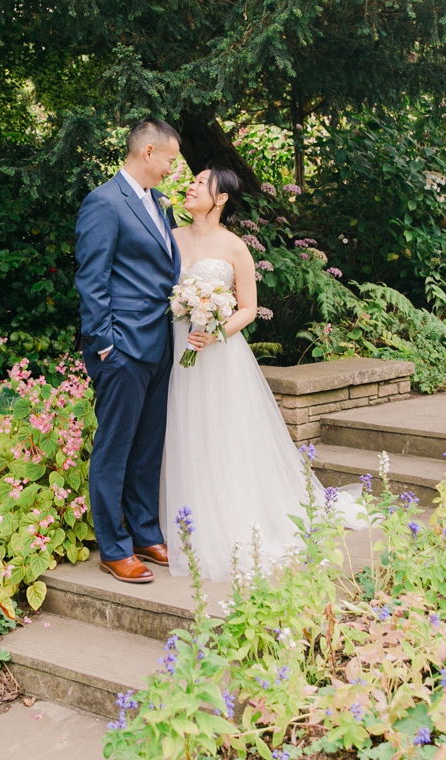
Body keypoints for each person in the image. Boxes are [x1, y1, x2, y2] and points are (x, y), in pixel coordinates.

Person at [159, 167, 365, 582]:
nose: (191, 185)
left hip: (217, 353)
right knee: (183, 430)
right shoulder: (170, 238)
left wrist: (216, 331)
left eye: (201, 182)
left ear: (220, 199)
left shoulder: (235, 248)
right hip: (176, 345)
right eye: (192, 181)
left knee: (222, 434)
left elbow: (248, 308)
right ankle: (181, 521)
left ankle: (230, 519)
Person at [74, 120, 182, 584]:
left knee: (147, 447)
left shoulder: (160, 204)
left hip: (160, 345)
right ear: (149, 151)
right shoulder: (103, 202)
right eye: (170, 161)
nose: (172, 170)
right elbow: (91, 279)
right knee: (114, 449)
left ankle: (143, 532)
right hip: (120, 349)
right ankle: (113, 548)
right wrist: (103, 346)